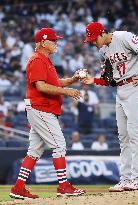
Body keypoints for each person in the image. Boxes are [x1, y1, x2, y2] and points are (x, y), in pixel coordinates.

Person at [9, 28, 85, 199]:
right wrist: (67, 92)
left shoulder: (45, 60)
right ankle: (63, 186)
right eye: (53, 40)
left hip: (42, 108)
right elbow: (41, 87)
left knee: (34, 151)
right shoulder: (37, 60)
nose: (56, 43)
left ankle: (18, 188)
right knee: (59, 146)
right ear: (43, 42)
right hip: (40, 107)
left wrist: (73, 79)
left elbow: (56, 83)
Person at [83, 22, 138, 191]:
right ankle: (125, 178)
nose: (93, 42)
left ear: (102, 33)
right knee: (123, 136)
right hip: (121, 90)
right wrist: (94, 81)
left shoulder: (123, 36)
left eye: (94, 39)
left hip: (136, 87)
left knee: (135, 134)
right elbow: (109, 80)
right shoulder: (103, 51)